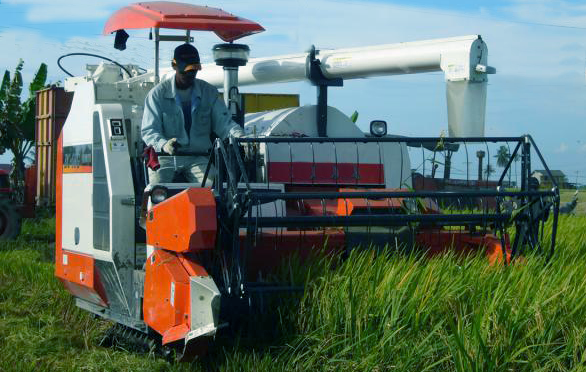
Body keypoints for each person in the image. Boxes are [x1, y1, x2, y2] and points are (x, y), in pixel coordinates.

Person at [141, 43, 244, 184]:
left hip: (198, 156)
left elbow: (224, 124)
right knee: (157, 189)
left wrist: (240, 136)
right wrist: (164, 145)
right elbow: (149, 131)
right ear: (174, 66)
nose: (189, 76)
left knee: (213, 187)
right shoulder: (156, 95)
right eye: (185, 72)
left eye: (193, 72)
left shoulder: (209, 92)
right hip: (165, 157)